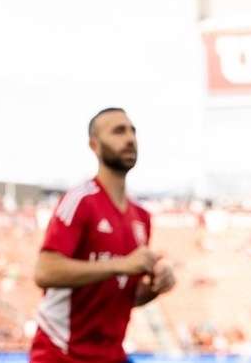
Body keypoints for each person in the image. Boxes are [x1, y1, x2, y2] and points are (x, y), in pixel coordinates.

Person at [30, 108, 175, 362]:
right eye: (119, 131)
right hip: (61, 354)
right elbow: (45, 272)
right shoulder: (80, 201)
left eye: (132, 130)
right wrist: (122, 265)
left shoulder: (142, 217)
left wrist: (156, 287)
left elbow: (122, 298)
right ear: (94, 145)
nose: (130, 138)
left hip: (112, 355)